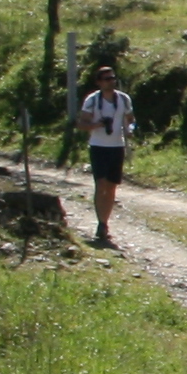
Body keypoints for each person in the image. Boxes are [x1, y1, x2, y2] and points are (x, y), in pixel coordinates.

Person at [75, 63, 135, 246]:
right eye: (107, 79)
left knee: (111, 187)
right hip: (98, 146)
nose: (111, 82)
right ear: (99, 82)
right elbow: (81, 124)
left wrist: (131, 129)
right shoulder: (92, 100)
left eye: (113, 78)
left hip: (117, 146)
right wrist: (97, 125)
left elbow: (131, 120)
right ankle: (101, 223)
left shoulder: (123, 99)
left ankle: (105, 223)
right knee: (100, 183)